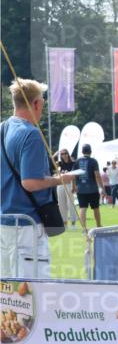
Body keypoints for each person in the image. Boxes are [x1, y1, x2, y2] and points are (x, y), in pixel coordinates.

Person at [1, 78, 71, 278]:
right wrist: (61, 180)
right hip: (27, 224)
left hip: (5, 221)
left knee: (7, 289)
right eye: (43, 103)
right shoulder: (31, 134)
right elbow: (30, 183)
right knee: (33, 290)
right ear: (36, 104)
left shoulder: (2, 129)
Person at [75, 144, 104, 231]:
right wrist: (102, 187)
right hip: (92, 189)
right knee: (96, 208)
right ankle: (98, 225)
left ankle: (84, 228)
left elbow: (74, 175)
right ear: (90, 152)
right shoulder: (93, 161)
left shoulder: (77, 161)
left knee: (82, 208)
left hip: (80, 189)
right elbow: (97, 175)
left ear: (82, 152)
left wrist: (74, 186)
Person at [55, 149, 78, 229]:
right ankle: (64, 223)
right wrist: (56, 154)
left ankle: (73, 222)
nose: (64, 155)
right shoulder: (59, 164)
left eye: (65, 153)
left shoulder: (73, 163)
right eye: (62, 154)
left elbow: (74, 176)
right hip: (60, 184)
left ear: (68, 154)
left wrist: (74, 186)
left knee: (70, 204)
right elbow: (51, 161)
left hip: (69, 184)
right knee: (61, 204)